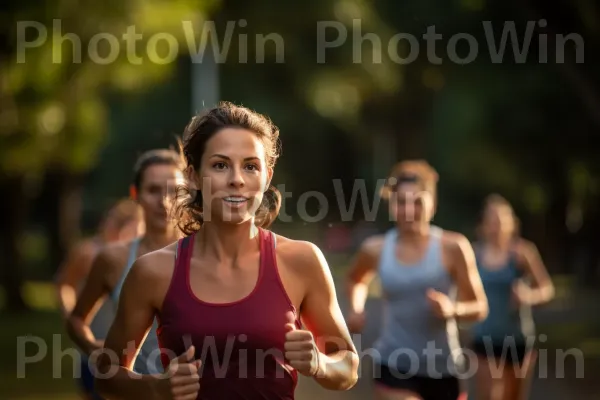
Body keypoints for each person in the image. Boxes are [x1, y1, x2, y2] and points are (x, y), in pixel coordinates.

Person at [94, 102, 359, 399]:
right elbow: (107, 375)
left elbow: (348, 367)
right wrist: (154, 387)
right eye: (220, 165)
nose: (237, 179)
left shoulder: (301, 260)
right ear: (193, 176)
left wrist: (320, 363)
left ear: (267, 176)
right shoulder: (153, 271)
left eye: (250, 166)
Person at [345, 160, 488, 400]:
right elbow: (355, 280)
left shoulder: (453, 247)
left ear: (433, 205)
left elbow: (480, 307)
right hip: (393, 363)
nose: (409, 210)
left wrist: (452, 309)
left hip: (444, 367)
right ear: (391, 206)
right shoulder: (375, 249)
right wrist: (356, 307)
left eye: (418, 202)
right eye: (401, 202)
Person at [67, 149, 185, 380]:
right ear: (135, 194)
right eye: (153, 190)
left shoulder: (207, 254)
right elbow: (76, 318)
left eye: (174, 191)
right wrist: (92, 347)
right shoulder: (113, 259)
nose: (164, 201)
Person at [471, 194, 554, 400]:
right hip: (485, 338)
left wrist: (529, 296)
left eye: (501, 220)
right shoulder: (474, 254)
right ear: (483, 225)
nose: (496, 225)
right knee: (490, 396)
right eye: (491, 220)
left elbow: (547, 288)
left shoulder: (522, 253)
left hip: (517, 339)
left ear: (512, 224)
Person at [56, 198, 142, 400]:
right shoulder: (87, 252)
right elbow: (64, 285)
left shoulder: (136, 257)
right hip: (92, 344)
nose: (120, 233)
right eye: (115, 223)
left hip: (126, 351)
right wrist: (71, 318)